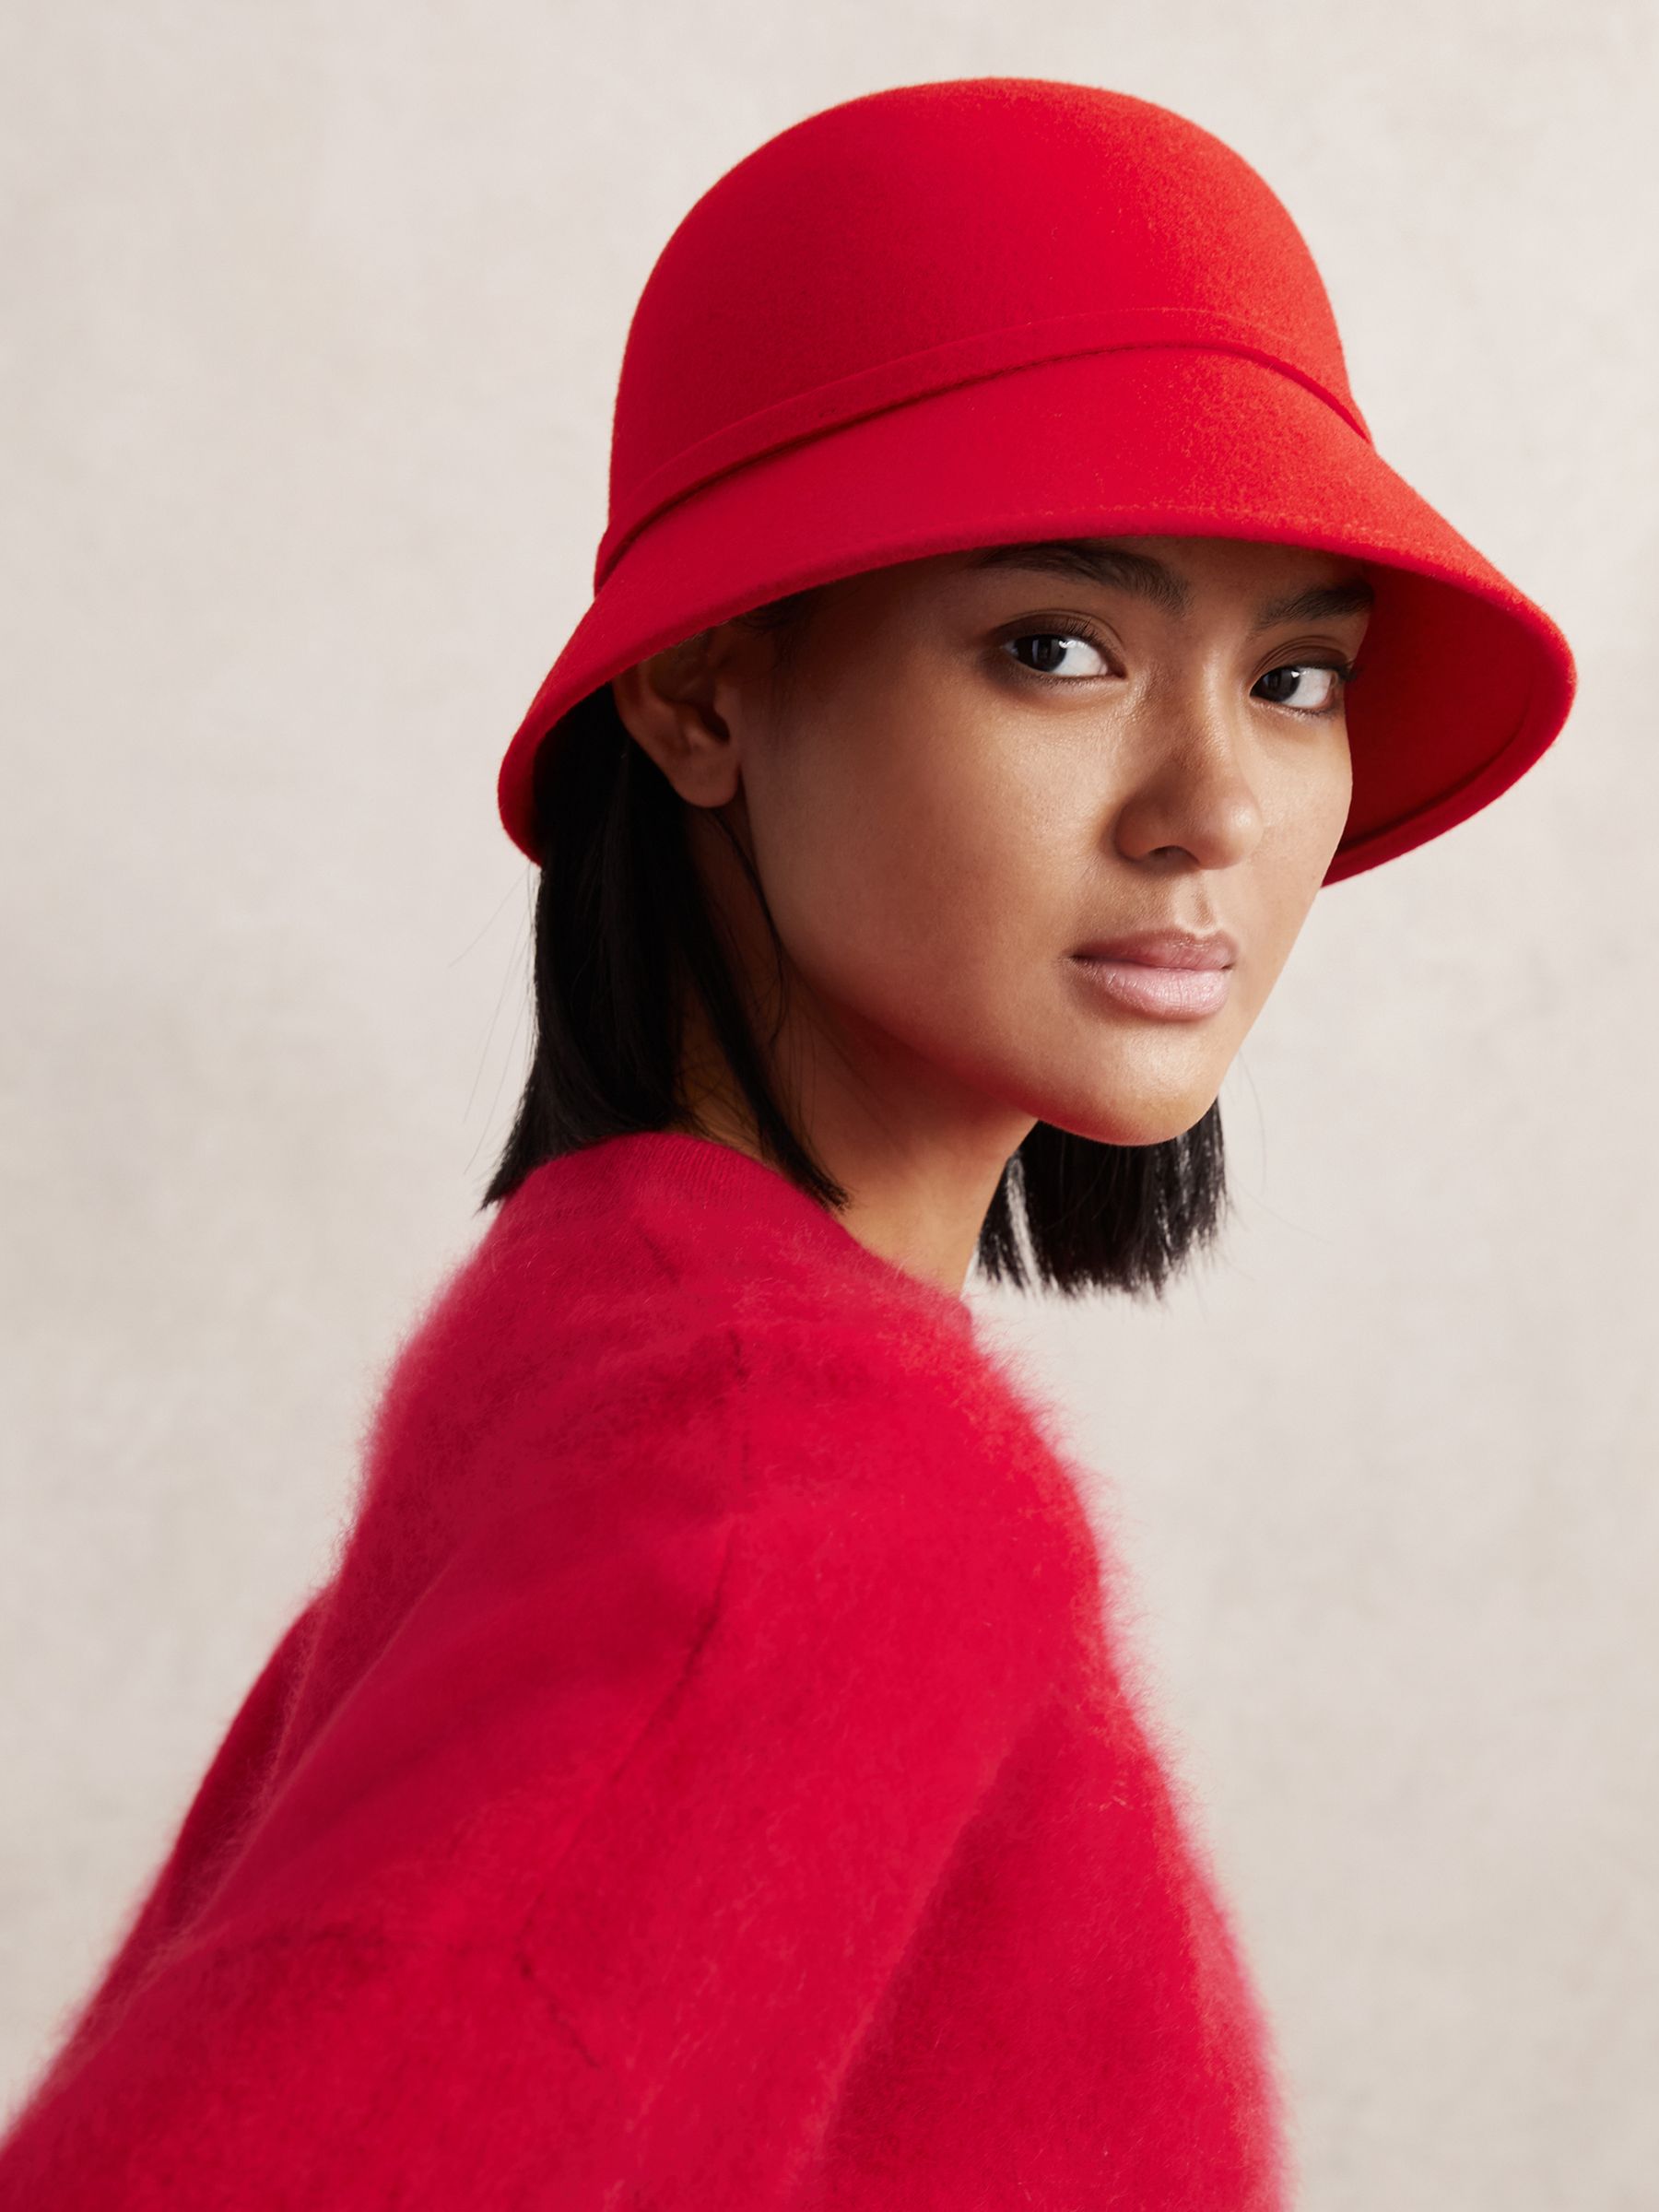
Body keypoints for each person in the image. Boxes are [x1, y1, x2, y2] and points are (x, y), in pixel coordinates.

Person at [0, 76, 1574, 2211]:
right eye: (1061, 648)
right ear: (703, 695)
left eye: (1300, 678)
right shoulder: (795, 1467)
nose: (1212, 799)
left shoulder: (609, 1336)